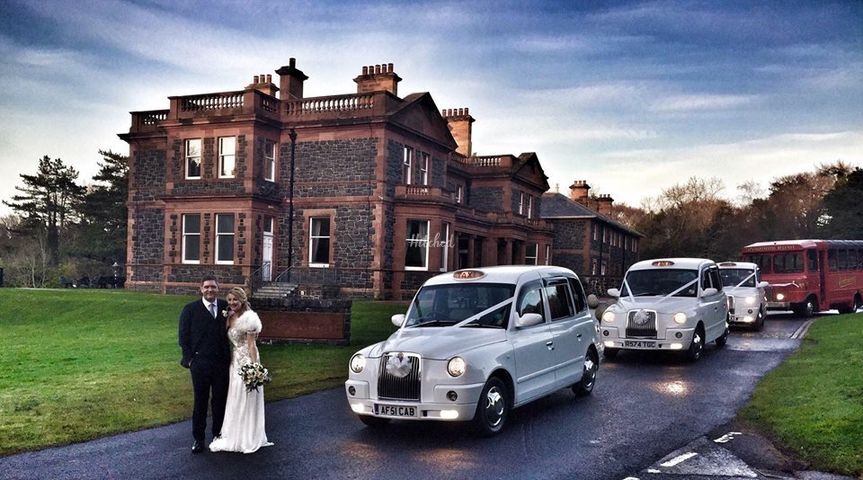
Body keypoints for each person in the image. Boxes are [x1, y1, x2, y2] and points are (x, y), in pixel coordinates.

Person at [209, 286, 274, 454]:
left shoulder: (249, 318)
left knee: (247, 396)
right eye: (229, 300)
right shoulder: (229, 316)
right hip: (234, 361)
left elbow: (252, 345)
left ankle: (248, 436)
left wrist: (255, 367)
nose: (232, 303)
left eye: (235, 300)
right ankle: (233, 433)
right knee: (235, 396)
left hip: (247, 361)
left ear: (242, 300)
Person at [178, 276, 231, 454]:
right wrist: (190, 360)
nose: (210, 290)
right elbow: (183, 338)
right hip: (200, 363)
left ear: (218, 289)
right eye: (207, 287)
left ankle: (218, 434)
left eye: (213, 287)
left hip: (221, 363)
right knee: (200, 401)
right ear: (201, 289)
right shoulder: (190, 309)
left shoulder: (225, 307)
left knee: (219, 400)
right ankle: (198, 439)